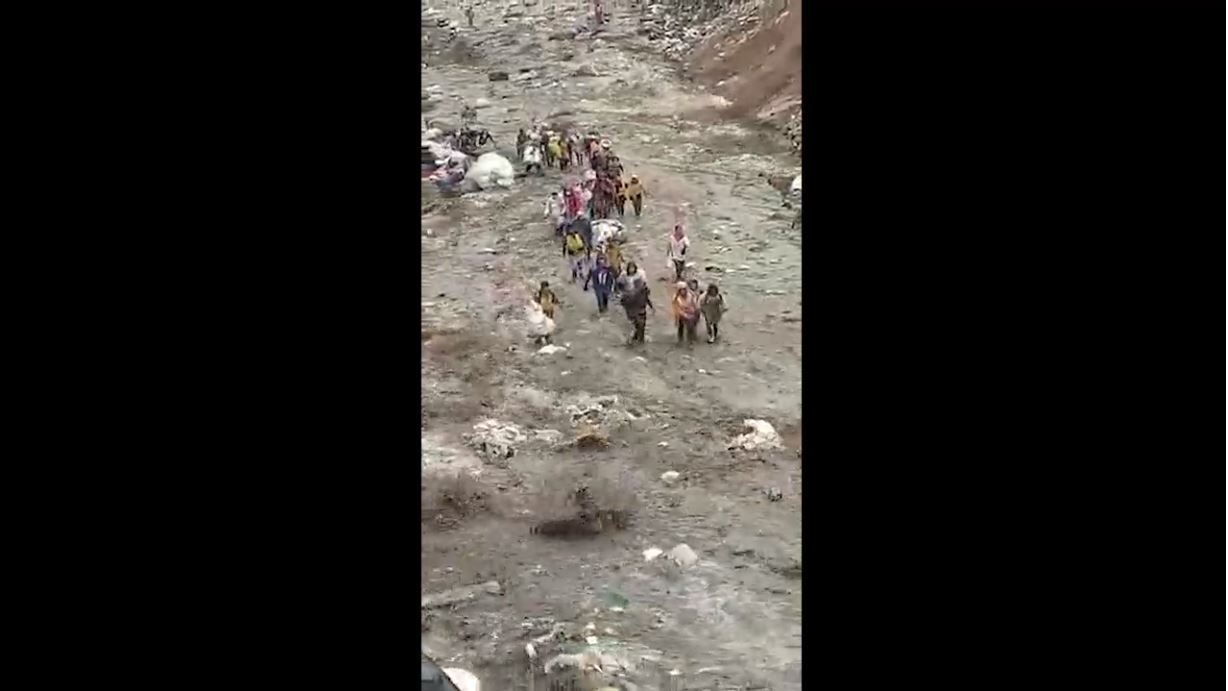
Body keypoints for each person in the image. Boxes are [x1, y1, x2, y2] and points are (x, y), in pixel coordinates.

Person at [671, 281, 700, 346]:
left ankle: (690, 341)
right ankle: (680, 340)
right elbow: (676, 309)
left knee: (691, 327)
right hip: (681, 313)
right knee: (680, 327)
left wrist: (695, 313)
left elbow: (695, 305)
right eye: (681, 290)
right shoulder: (676, 298)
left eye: (684, 289)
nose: (683, 291)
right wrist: (682, 315)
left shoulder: (691, 295)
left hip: (691, 312)